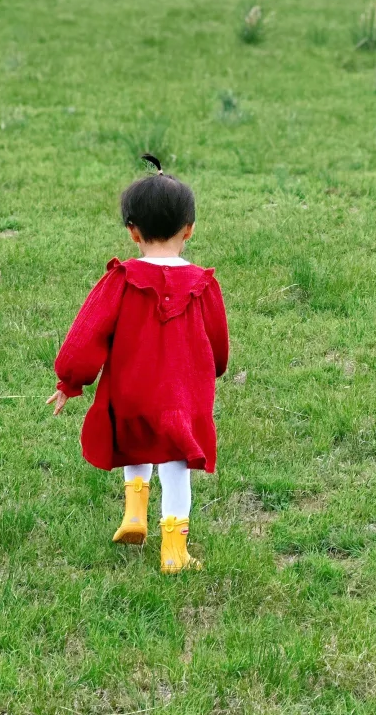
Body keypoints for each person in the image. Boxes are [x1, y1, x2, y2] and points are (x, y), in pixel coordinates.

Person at [48, 156, 228, 573]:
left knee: (136, 440)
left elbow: (86, 332)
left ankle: (134, 513)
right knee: (176, 466)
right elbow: (217, 340)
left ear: (132, 232)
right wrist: (215, 368)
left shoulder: (121, 279)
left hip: (131, 391)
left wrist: (70, 379)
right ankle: (174, 551)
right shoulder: (203, 284)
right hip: (182, 397)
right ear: (190, 229)